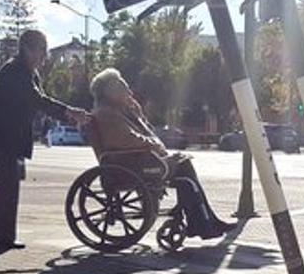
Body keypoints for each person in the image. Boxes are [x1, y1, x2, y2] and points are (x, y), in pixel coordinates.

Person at [0, 30, 89, 250]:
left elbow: (39, 102)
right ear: (27, 49)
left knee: (8, 179)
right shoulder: (15, 72)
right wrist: (70, 112)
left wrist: (67, 114)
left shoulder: (29, 73)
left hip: (10, 134)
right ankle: (2, 239)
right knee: (8, 181)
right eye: (41, 51)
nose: (44, 57)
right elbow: (38, 100)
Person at [88, 68, 234, 239]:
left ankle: (205, 220)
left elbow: (145, 134)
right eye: (123, 87)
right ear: (108, 91)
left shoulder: (119, 111)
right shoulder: (106, 113)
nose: (129, 92)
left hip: (136, 161)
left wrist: (139, 115)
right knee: (184, 172)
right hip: (130, 164)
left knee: (184, 167)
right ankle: (202, 222)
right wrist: (156, 146)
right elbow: (127, 140)